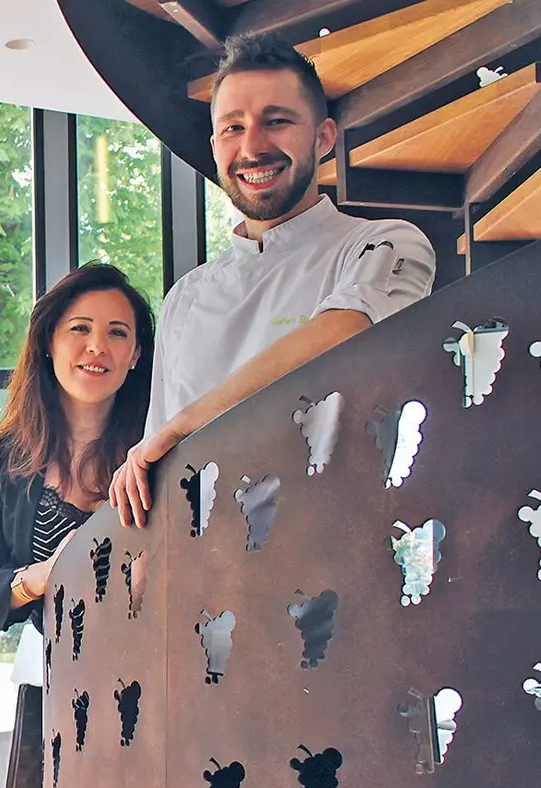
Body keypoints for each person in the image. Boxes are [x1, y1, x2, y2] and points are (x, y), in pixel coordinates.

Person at [110, 32, 436, 526]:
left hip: (335, 557)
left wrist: (185, 426)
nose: (253, 147)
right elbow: (156, 462)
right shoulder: (187, 296)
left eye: (277, 121)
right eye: (233, 128)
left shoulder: (384, 243)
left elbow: (346, 332)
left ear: (323, 138)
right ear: (216, 144)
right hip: (207, 576)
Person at [0, 263, 155, 638]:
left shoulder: (162, 449)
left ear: (136, 354)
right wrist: (43, 576)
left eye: (117, 332)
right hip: (58, 681)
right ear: (49, 341)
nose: (97, 346)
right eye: (80, 328)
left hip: (162, 673)